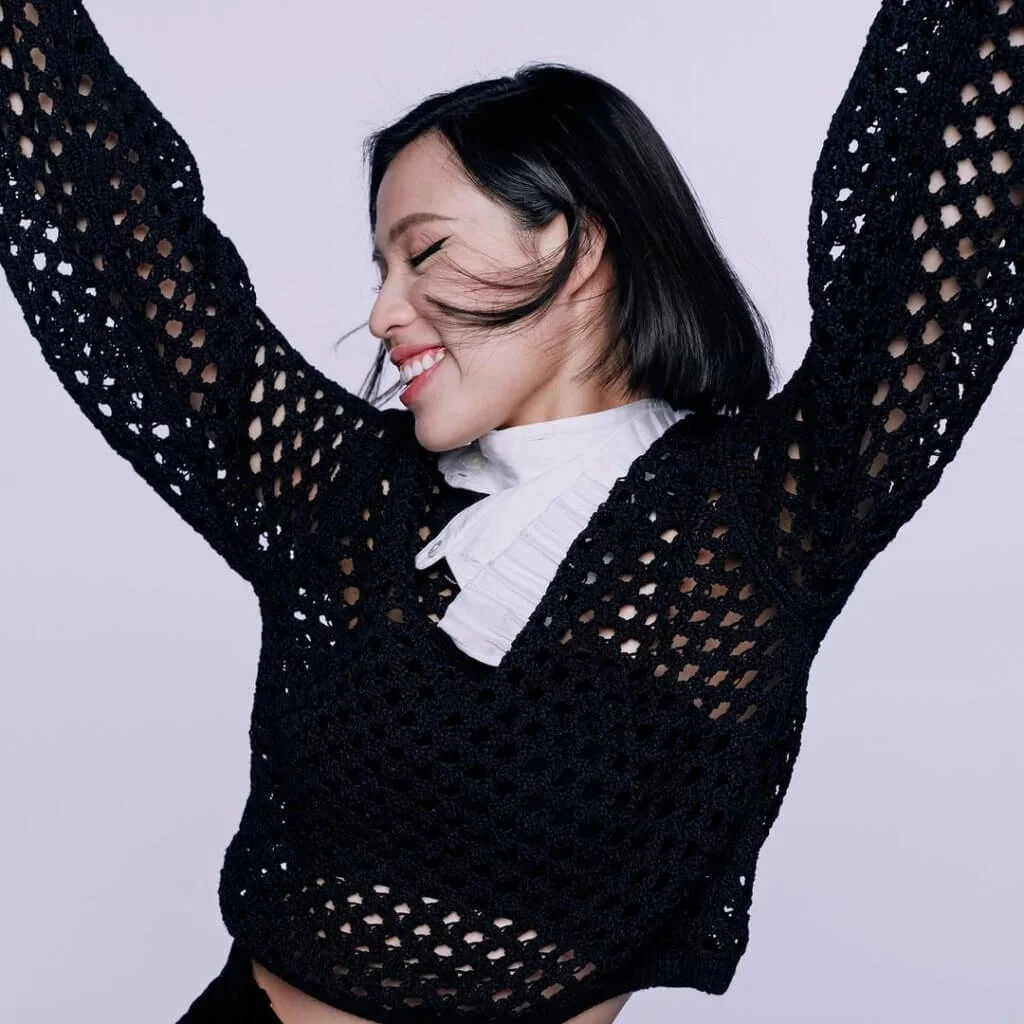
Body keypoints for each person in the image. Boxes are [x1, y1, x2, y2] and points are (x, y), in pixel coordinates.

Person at [1, 1, 1021, 1023]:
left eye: (424, 253)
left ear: (577, 245)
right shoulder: (346, 495)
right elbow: (115, 229)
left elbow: (944, 215)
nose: (381, 313)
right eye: (381, 269)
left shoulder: (755, 519)